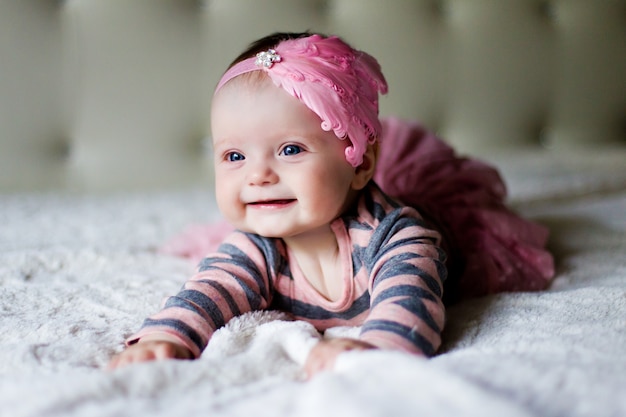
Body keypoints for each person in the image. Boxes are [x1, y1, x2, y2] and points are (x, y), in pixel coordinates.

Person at [108, 32, 554, 375]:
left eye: (290, 150)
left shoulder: (398, 236)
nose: (257, 176)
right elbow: (209, 291)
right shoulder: (257, 245)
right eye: (234, 156)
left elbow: (411, 302)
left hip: (426, 223)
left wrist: (374, 347)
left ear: (360, 165)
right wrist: (164, 337)